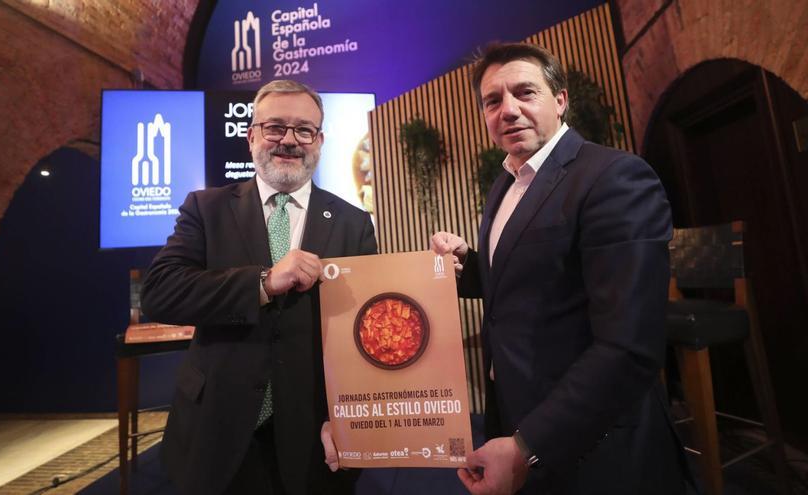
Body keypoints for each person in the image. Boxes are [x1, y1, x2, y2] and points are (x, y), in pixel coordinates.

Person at [431, 42, 694, 494]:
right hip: (518, 413)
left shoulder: (614, 177)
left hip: (593, 440)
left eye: (524, 92)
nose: (508, 110)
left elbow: (629, 346)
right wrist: (469, 267)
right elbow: (535, 276)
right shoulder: (504, 183)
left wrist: (528, 445)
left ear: (560, 100)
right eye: (492, 101)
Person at [141, 79, 377, 495]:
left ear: (319, 141)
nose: (289, 140)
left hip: (313, 436)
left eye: (304, 130)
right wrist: (262, 282)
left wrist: (348, 419)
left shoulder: (353, 223)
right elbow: (160, 291)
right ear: (251, 136)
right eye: (275, 128)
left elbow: (363, 333)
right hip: (216, 429)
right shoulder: (205, 208)